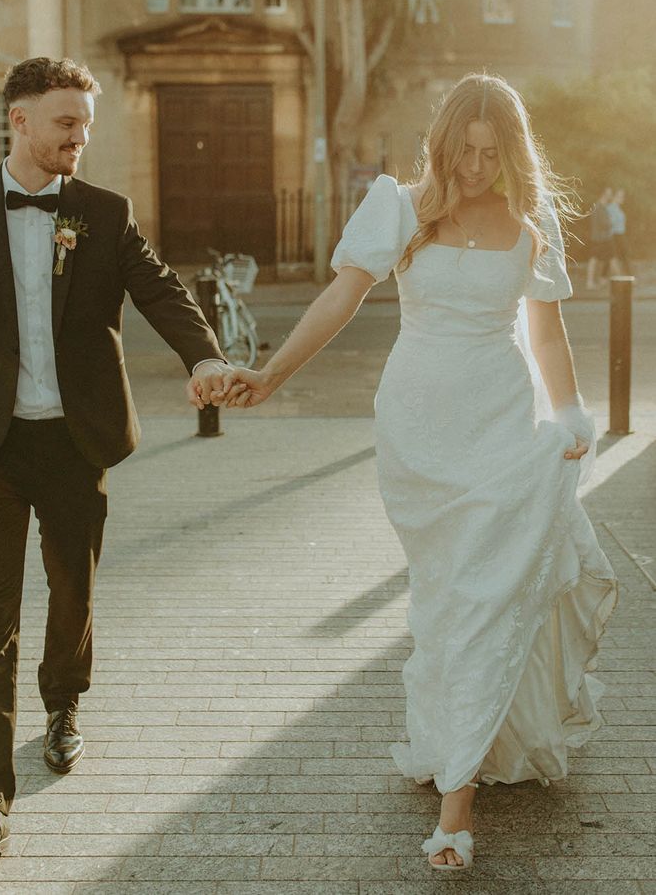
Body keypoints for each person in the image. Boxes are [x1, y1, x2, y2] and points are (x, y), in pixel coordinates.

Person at [203, 73, 618, 872]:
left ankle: (456, 810)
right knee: (448, 598)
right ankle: (459, 739)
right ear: (443, 142)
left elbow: (550, 333)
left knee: (482, 598)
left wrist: (568, 413)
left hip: (501, 421)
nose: (474, 167)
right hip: (419, 429)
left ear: (512, 151)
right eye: (463, 150)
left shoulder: (533, 223)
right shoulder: (399, 206)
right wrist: (272, 374)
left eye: (491, 154)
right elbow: (340, 298)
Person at [0, 57, 231, 866]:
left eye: (87, 124)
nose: (81, 136)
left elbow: (162, 289)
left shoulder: (105, 211)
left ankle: (64, 704)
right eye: (66, 121)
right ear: (20, 120)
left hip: (76, 441)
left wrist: (202, 359)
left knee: (74, 588)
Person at [586, 187, 614, 289]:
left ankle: (601, 280)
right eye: (609, 193)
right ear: (604, 194)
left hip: (602, 238)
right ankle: (591, 282)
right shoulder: (599, 207)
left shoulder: (601, 207)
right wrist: (611, 221)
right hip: (599, 239)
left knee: (605, 258)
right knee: (594, 259)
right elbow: (604, 223)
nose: (611, 195)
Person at [607, 188, 631, 275]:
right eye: (619, 196)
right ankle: (628, 275)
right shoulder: (610, 208)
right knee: (618, 256)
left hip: (621, 234)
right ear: (614, 197)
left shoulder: (618, 208)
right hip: (615, 235)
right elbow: (610, 223)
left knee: (622, 255)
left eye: (622, 196)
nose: (622, 198)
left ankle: (627, 275)